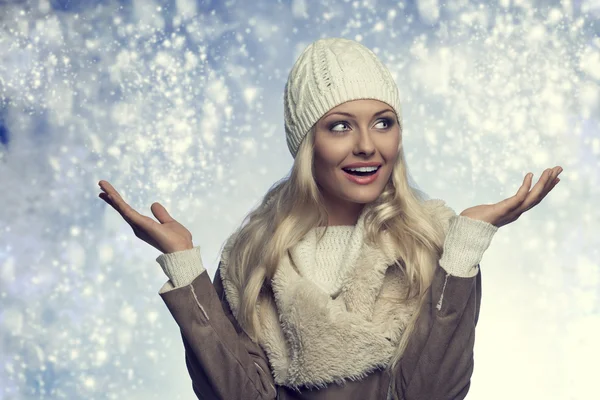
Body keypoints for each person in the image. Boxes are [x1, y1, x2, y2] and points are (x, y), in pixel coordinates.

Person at [97, 37, 563, 400]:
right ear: (306, 144)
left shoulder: (432, 244)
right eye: (340, 125)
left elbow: (433, 394)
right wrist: (183, 265)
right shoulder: (253, 255)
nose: (367, 144)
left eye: (383, 121)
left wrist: (465, 245)